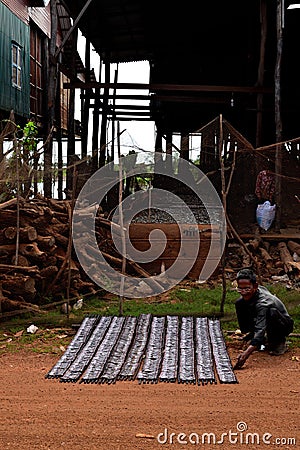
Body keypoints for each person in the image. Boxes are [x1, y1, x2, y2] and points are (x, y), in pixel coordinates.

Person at [234, 268, 294, 369]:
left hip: (283, 324)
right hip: (263, 319)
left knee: (270, 313)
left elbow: (260, 327)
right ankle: (256, 337)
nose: (243, 292)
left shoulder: (263, 302)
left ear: (255, 287)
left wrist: (245, 355)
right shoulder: (251, 294)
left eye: (247, 289)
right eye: (240, 289)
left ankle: (278, 341)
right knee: (239, 303)